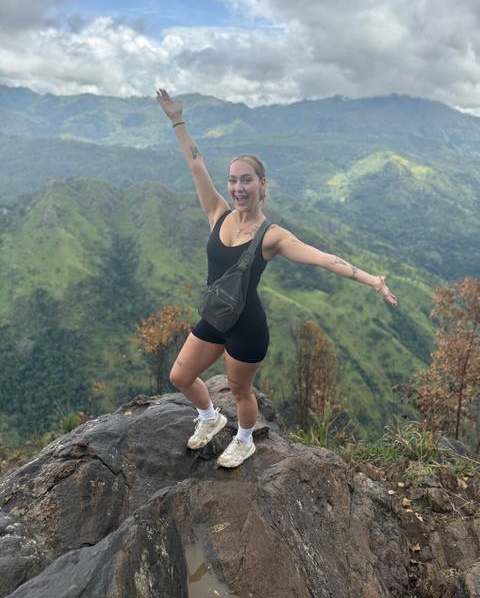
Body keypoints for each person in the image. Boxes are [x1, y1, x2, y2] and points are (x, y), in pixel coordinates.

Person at [155, 88, 398, 469]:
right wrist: (176, 120)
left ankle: (245, 438)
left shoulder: (272, 236)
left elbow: (325, 260)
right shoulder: (217, 212)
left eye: (246, 180)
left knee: (239, 390)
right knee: (180, 375)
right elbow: (195, 165)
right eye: (233, 179)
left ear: (261, 185)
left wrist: (372, 279)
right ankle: (208, 418)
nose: (238, 187)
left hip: (247, 328)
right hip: (216, 315)